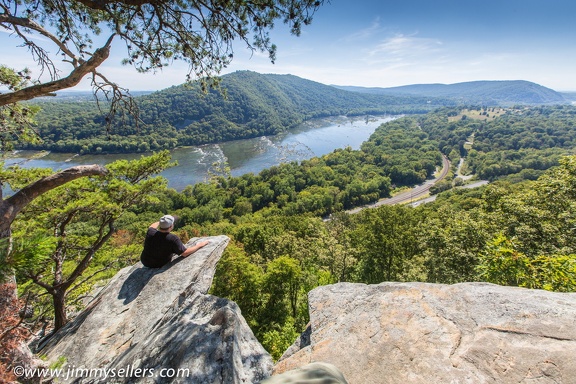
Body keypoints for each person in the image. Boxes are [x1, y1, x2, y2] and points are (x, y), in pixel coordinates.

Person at [140, 214, 209, 268]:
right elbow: (185, 253)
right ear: (171, 226)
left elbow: (152, 226)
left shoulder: (151, 232)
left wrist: (162, 222)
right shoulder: (172, 238)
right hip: (159, 264)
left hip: (145, 262)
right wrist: (200, 245)